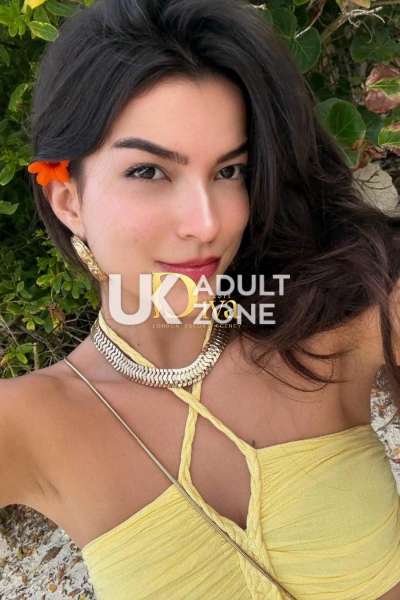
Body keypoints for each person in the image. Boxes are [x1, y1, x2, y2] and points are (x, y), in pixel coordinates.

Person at [1, 0, 400, 598]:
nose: (207, 223)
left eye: (229, 171)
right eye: (148, 172)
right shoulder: (29, 423)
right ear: (69, 201)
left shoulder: (340, 322)